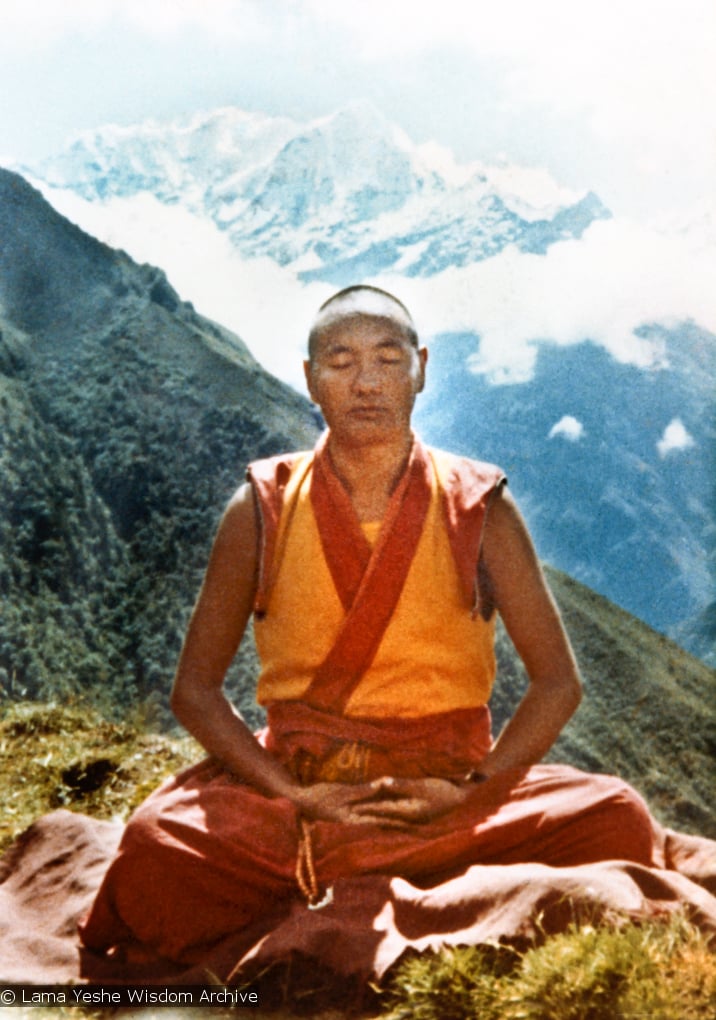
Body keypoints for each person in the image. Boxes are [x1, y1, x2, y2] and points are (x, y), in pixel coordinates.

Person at [80, 284, 663, 966]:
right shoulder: (261, 507)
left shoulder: (479, 506)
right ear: (309, 378)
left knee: (617, 815)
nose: (366, 383)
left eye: (388, 360)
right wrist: (294, 793)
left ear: (422, 370)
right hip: (303, 790)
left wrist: (469, 792)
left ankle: (356, 880)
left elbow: (558, 682)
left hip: (443, 788)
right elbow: (196, 692)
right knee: (157, 847)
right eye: (340, 360)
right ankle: (434, 887)